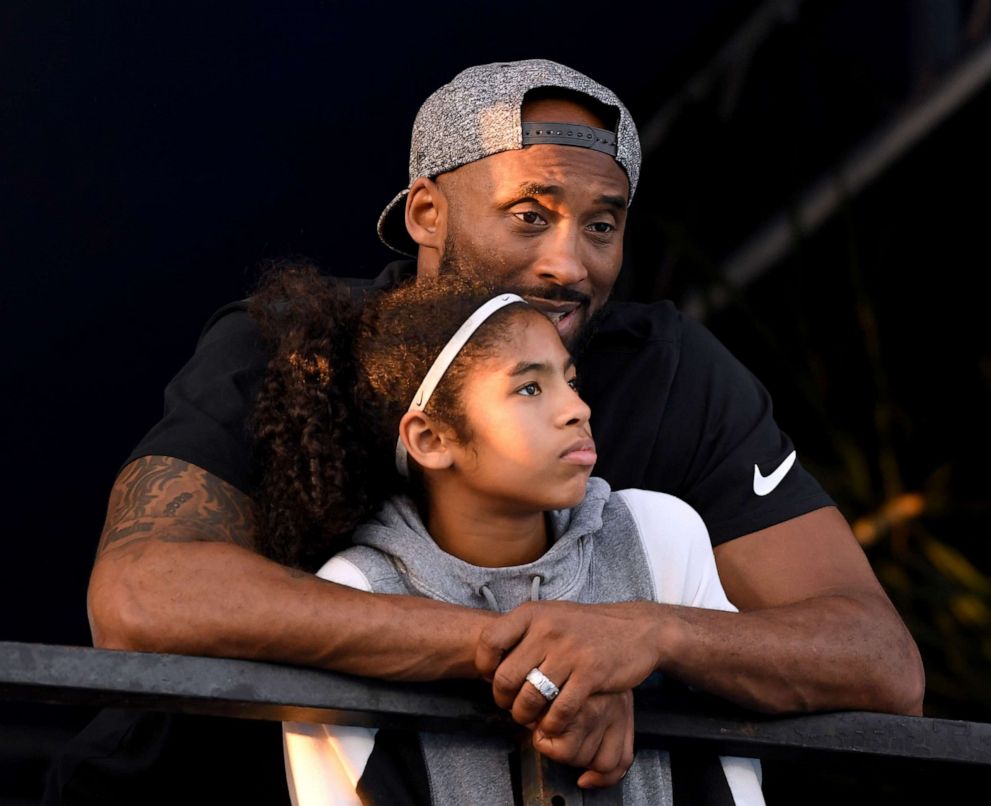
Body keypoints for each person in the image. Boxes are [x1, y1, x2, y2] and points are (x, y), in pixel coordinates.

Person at [72, 58, 922, 801]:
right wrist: (517, 651)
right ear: (426, 213)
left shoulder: (671, 371)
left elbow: (880, 662)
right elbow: (144, 597)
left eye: (603, 224)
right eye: (530, 213)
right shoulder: (296, 346)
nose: (570, 262)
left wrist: (647, 633)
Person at [255, 266, 763, 805]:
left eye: (570, 381)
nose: (577, 409)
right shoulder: (357, 589)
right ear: (430, 438)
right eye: (528, 387)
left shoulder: (657, 535)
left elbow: (734, 770)